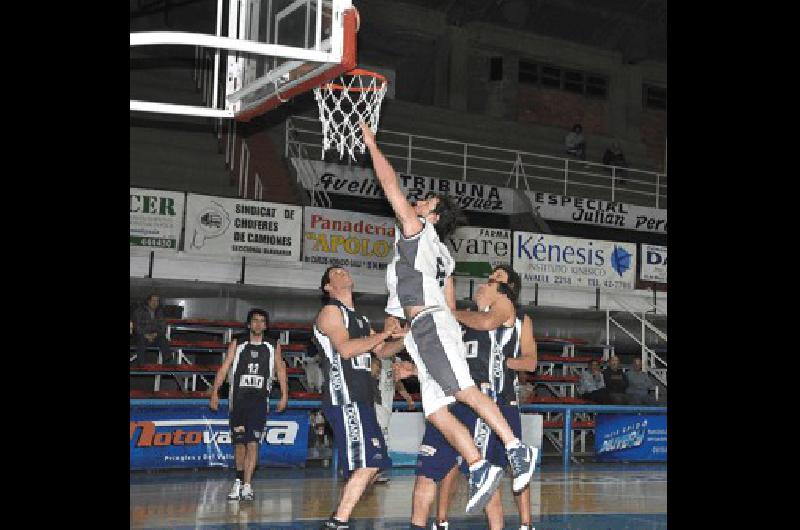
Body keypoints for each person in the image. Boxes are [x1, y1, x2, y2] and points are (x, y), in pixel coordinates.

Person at [360, 122, 536, 522]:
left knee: (463, 391)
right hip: (428, 329)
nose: (416, 203)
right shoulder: (440, 257)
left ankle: (513, 447)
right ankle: (478, 465)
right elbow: (445, 301)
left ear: (433, 216)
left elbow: (390, 188)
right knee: (437, 409)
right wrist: (395, 343)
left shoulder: (418, 232)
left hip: (430, 325)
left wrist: (372, 146)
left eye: (424, 202)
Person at [423, 267, 539, 530]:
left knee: (512, 464)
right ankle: (441, 519)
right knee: (459, 458)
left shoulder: (517, 317)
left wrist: (508, 362)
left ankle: (526, 523)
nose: (492, 280)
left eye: (499, 277)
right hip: (472, 397)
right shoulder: (471, 317)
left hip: (502, 397)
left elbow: (531, 362)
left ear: (509, 288)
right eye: (491, 277)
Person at [313, 266, 408, 530]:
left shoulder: (362, 320)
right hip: (344, 395)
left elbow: (384, 351)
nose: (344, 274)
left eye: (345, 271)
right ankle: (338, 520)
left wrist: (407, 335)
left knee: (375, 464)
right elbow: (345, 349)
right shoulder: (331, 311)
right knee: (369, 462)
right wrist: (385, 333)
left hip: (362, 397)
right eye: (337, 273)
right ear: (328, 287)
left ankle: (339, 516)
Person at [208, 308, 288, 502]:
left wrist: (285, 395)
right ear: (249, 324)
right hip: (238, 400)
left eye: (262, 321)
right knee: (240, 444)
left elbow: (280, 369)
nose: (258, 324)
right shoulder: (238, 342)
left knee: (253, 443)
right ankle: (238, 480)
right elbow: (225, 365)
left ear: (266, 325)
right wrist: (215, 391)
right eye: (255, 320)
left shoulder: (272, 345)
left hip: (259, 401)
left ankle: (247, 485)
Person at [371, 314, 417, 485]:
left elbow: (396, 381)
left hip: (387, 404)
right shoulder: (376, 359)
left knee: (382, 437)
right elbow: (371, 374)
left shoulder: (395, 361)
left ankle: (375, 469)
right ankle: (374, 470)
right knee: (380, 438)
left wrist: (407, 397)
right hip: (377, 403)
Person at [132, 293, 173, 365]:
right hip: (142, 335)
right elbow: (136, 326)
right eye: (153, 300)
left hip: (155, 336)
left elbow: (163, 327)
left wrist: (155, 334)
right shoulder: (139, 311)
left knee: (163, 340)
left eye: (157, 301)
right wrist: (146, 335)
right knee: (141, 341)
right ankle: (141, 364)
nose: (155, 303)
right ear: (148, 301)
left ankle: (168, 362)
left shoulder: (160, 312)